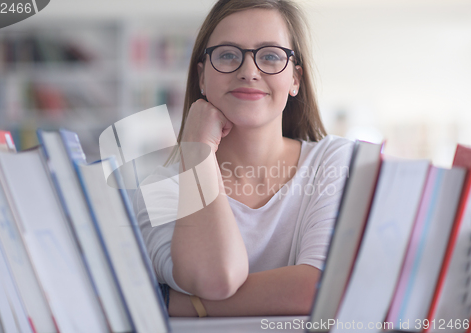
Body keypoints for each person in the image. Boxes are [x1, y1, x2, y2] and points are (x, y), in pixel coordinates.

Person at [134, 0, 354, 317]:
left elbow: (319, 288)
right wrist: (197, 148)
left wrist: (172, 302)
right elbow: (217, 278)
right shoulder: (159, 190)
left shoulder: (334, 161)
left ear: (295, 79)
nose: (249, 71)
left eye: (270, 56)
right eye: (227, 54)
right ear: (201, 77)